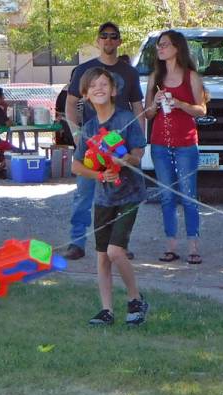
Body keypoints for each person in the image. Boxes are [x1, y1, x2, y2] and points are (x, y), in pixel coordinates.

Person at [70, 67, 148, 326]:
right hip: (104, 198)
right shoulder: (90, 128)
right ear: (85, 94)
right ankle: (107, 310)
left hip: (130, 195)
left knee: (115, 251)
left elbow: (138, 154)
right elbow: (76, 166)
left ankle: (135, 299)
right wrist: (101, 176)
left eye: (104, 84)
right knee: (102, 255)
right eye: (93, 86)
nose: (99, 89)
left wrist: (126, 159)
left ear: (114, 90)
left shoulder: (126, 119)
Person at [64, 22, 145, 261]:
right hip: (92, 144)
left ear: (119, 41)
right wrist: (76, 132)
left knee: (121, 194)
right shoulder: (84, 69)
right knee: (84, 193)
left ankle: (119, 244)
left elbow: (138, 107)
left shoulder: (129, 72)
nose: (108, 40)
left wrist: (138, 146)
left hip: (121, 146)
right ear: (98, 41)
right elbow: (70, 103)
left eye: (113, 36)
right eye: (104, 36)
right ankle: (77, 243)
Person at [144, 30, 207, 265]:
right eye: (158, 46)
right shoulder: (154, 77)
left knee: (188, 195)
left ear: (177, 48)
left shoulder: (191, 76)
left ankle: (193, 246)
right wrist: (156, 103)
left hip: (186, 144)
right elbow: (147, 113)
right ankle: (170, 245)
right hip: (160, 143)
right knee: (167, 196)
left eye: (164, 45)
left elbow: (202, 110)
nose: (160, 49)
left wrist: (180, 103)